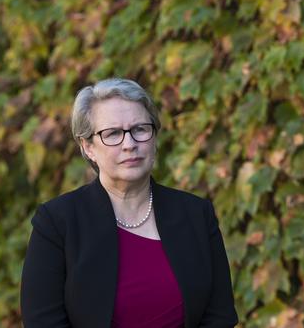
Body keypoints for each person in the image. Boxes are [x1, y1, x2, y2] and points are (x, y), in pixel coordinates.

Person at [21, 78, 238, 328]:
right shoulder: (57, 222)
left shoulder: (197, 215)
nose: (129, 144)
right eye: (112, 133)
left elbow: (219, 317)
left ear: (154, 137)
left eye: (140, 129)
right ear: (88, 147)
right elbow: (43, 322)